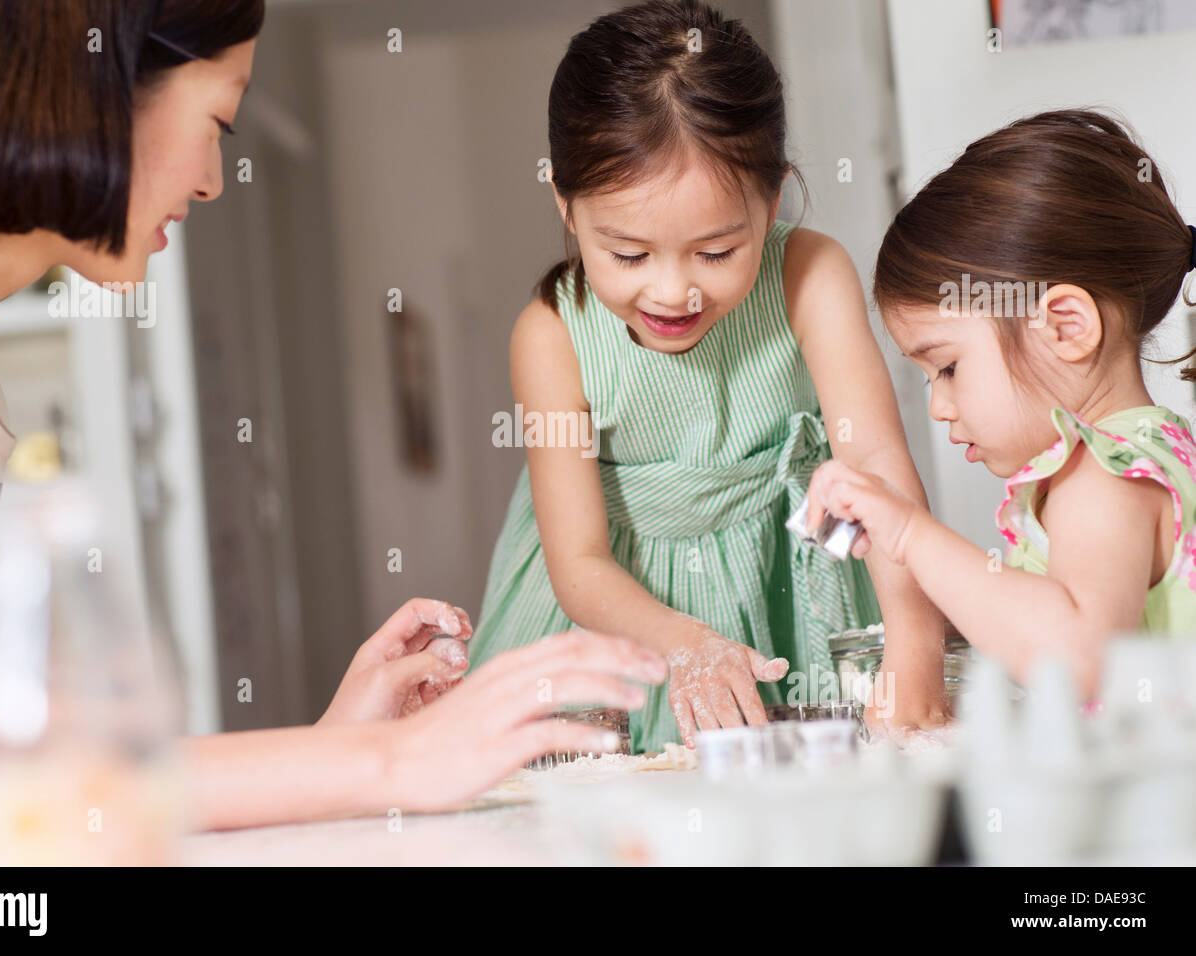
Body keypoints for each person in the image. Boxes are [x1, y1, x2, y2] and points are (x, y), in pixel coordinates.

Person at [0, 0, 666, 847]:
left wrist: (343, 746)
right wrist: (395, 762)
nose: (211, 181)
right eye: (218, 122)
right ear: (95, 83)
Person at [468, 0, 948, 752]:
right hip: (625, 625)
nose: (671, 292)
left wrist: (914, 647)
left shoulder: (809, 276)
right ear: (566, 204)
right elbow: (578, 561)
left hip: (793, 594)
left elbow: (877, 467)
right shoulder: (552, 335)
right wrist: (684, 643)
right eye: (628, 255)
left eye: (717, 253)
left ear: (774, 198)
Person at [804, 109, 1196, 700]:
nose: (939, 407)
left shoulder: (1105, 477)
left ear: (1066, 328)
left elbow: (1077, 662)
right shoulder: (1153, 446)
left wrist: (911, 535)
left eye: (949, 368)